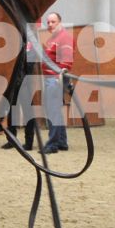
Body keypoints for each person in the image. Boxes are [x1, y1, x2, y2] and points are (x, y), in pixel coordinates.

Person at [39, 12, 74, 153]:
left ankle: (52, 145)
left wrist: (60, 76)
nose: (50, 24)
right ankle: (61, 142)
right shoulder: (53, 38)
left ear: (60, 22)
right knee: (56, 111)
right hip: (51, 78)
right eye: (48, 22)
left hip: (55, 79)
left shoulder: (64, 37)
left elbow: (67, 62)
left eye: (53, 22)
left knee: (52, 111)